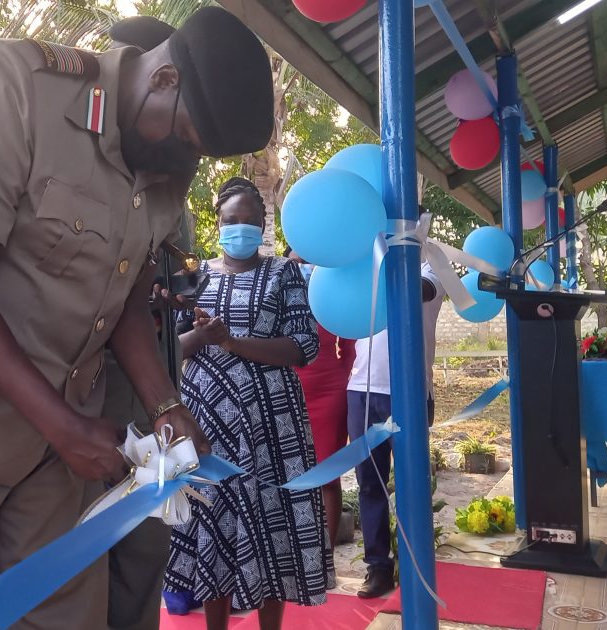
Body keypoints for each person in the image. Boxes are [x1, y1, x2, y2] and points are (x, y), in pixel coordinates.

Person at [0, 7, 275, 628]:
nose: (186, 158)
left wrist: (165, 406)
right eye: (188, 137)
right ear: (164, 78)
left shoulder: (166, 155)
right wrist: (65, 427)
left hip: (56, 454)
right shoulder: (12, 84)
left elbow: (127, 297)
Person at [165, 177, 331, 630]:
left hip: (271, 422)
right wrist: (203, 336)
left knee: (272, 525)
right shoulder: (194, 276)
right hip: (204, 420)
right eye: (230, 220)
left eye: (249, 220)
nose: (239, 228)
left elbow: (303, 346)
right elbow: (169, 350)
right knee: (212, 522)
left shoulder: (284, 273)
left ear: (263, 225)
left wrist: (233, 343)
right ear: (217, 224)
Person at [102, 15, 193, 630]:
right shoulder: (67, 160)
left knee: (144, 544)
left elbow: (175, 271)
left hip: (150, 380)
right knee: (81, 552)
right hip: (85, 386)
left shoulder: (170, 169)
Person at [346, 261, 444, 600]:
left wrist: (377, 265)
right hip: (362, 388)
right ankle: (378, 568)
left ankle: (414, 563)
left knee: (411, 482)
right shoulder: (365, 263)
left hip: (409, 389)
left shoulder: (431, 263)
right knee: (369, 483)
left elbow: (417, 289)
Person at [288, 248, 356, 551]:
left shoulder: (333, 288)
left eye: (307, 261)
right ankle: (294, 551)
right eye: (296, 261)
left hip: (329, 391)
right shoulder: (278, 289)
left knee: (328, 474)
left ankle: (325, 554)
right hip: (286, 390)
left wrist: (341, 377)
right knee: (289, 472)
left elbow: (350, 342)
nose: (302, 265)